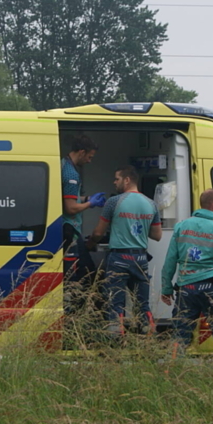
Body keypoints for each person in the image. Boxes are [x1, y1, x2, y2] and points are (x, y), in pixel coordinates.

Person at [160, 189, 213, 356]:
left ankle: (172, 369)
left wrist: (166, 289)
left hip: (185, 289)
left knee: (179, 335)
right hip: (210, 288)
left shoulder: (181, 226)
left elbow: (170, 261)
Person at [88, 165, 162, 338]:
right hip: (140, 258)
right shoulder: (151, 204)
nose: (114, 182)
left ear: (127, 180)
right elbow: (157, 235)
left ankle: (115, 341)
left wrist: (89, 244)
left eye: (117, 179)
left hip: (119, 258)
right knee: (143, 304)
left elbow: (99, 232)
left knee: (115, 303)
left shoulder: (114, 202)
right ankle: (149, 338)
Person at [61, 135, 105, 315]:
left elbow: (66, 198)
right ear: (81, 152)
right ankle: (85, 318)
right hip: (69, 229)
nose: (89, 160)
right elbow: (71, 208)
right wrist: (90, 204)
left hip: (67, 228)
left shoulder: (63, 164)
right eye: (90, 156)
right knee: (88, 276)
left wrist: (87, 198)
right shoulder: (71, 174)